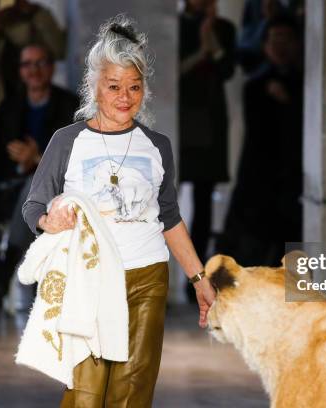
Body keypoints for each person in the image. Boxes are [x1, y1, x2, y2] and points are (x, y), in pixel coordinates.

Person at [22, 16, 216, 407]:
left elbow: (170, 217)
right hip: (89, 281)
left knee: (132, 393)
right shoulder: (68, 141)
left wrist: (198, 278)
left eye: (134, 87)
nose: (125, 97)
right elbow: (34, 205)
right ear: (94, 86)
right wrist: (49, 221)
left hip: (147, 279)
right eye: (114, 87)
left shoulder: (156, 146)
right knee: (85, 395)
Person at [0, 43, 78, 298]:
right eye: (27, 64)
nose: (34, 70)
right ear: (20, 71)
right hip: (12, 188)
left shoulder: (69, 105)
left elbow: (76, 159)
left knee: (36, 186)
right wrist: (20, 164)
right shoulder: (9, 107)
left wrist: (37, 159)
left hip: (59, 190)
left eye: (40, 63)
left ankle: (9, 264)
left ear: (51, 68)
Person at [217, 16, 303, 266]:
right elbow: (259, 134)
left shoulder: (304, 85)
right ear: (265, 46)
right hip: (259, 181)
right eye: (275, 39)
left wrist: (288, 102)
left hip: (293, 181)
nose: (281, 46)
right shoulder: (255, 86)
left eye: (286, 39)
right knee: (251, 255)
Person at [179, 0, 235, 300]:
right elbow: (170, 73)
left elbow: (226, 69)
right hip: (178, 118)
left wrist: (210, 36)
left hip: (211, 121)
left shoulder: (224, 28)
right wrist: (201, 49)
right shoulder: (172, 26)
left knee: (203, 202)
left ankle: (196, 280)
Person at [0, 0, 66, 151]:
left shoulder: (32, 13)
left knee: (42, 157)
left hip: (35, 105)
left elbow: (59, 50)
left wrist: (36, 15)